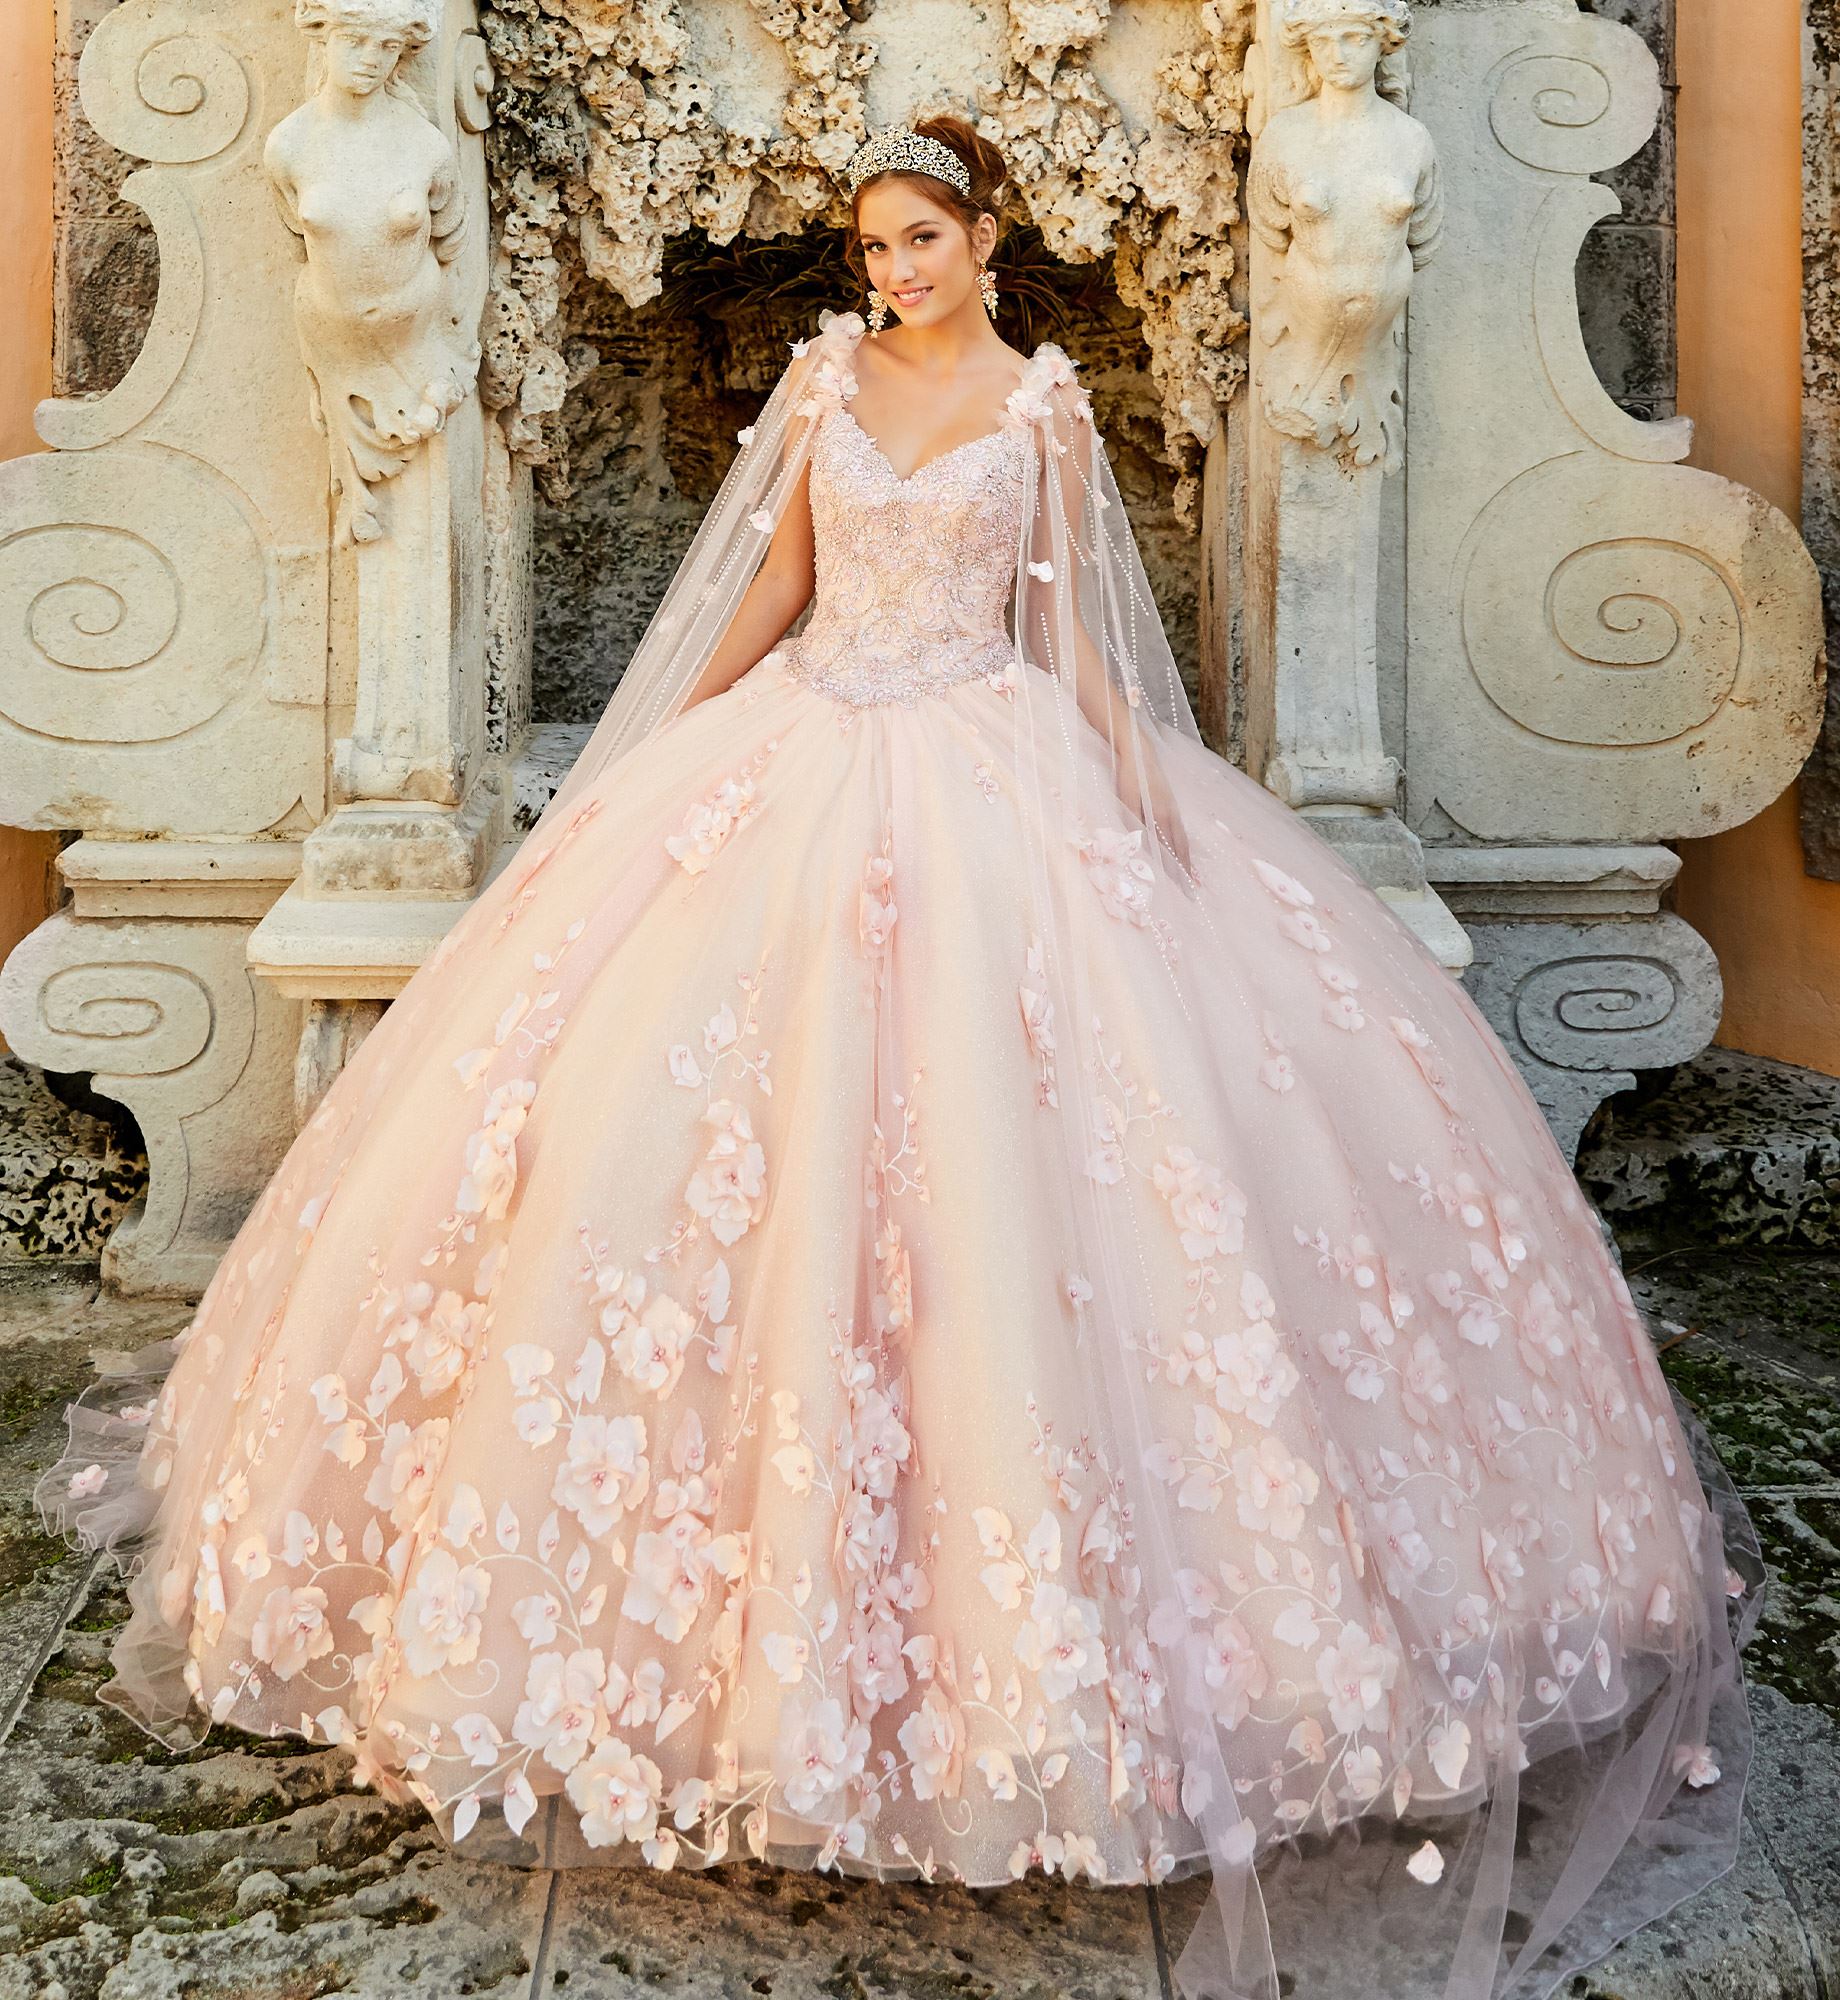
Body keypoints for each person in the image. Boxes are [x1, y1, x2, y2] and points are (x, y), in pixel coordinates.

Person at [39, 114, 1761, 2000]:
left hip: (991, 768)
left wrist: (1130, 779)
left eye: (919, 238)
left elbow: (1075, 634)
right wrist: (646, 751)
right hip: (802, 750)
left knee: (1033, 1178)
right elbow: (775, 583)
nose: (890, 268)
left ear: (988, 239)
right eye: (871, 242)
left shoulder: (1045, 410)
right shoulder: (821, 379)